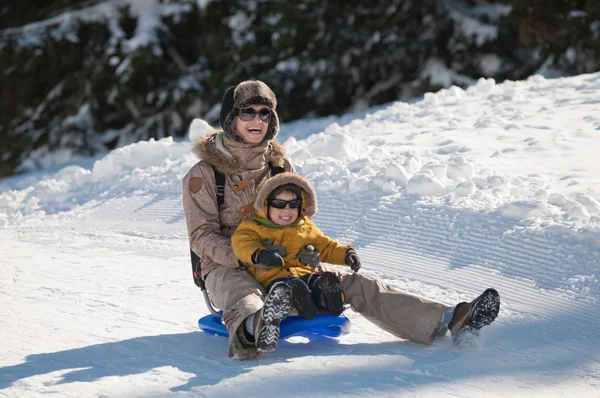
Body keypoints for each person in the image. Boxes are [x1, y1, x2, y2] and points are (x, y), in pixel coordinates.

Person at [182, 80, 500, 360]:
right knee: (242, 292)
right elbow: (202, 234)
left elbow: (298, 220)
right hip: (228, 263)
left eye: (264, 113)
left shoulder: (280, 166)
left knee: (355, 284)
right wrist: (247, 255)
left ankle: (449, 319)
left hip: (284, 257)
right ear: (230, 118)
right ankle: (254, 329)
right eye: (247, 112)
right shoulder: (205, 174)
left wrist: (319, 253)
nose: (257, 120)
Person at [231, 173, 362, 350]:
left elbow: (326, 246)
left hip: (303, 273)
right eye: (279, 204)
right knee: (286, 286)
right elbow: (241, 244)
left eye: (293, 205)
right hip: (272, 277)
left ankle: (326, 295)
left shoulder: (305, 226)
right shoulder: (253, 227)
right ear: (266, 205)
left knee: (316, 280)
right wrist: (261, 255)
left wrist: (346, 254)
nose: (287, 211)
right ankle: (284, 302)